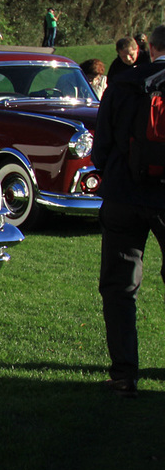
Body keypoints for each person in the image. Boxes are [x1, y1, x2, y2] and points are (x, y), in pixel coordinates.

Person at [92, 24, 165, 398]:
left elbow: (101, 146)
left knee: (120, 286)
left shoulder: (123, 82)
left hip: (124, 192)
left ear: (150, 48)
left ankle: (123, 373)